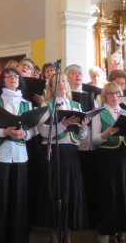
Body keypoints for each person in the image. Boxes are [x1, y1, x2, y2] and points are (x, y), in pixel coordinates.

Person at [0, 67, 35, 243]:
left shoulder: (27, 104)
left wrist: (25, 134)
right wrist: (5, 131)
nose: (13, 78)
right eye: (9, 76)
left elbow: (34, 130)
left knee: (18, 202)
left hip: (20, 156)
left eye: (16, 76)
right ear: (2, 81)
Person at [38, 73, 90, 243]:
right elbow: (43, 131)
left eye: (64, 81)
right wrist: (63, 125)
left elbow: (83, 137)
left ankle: (67, 237)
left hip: (72, 152)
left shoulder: (75, 104)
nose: (62, 84)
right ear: (51, 87)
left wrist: (83, 127)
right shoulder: (47, 105)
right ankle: (53, 236)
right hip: (55, 151)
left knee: (71, 193)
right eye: (57, 81)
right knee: (55, 192)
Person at [92, 82, 126, 243]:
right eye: (111, 93)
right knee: (111, 195)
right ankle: (112, 234)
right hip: (108, 159)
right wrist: (105, 134)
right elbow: (94, 141)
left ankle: (123, 233)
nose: (115, 97)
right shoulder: (100, 114)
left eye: (117, 93)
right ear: (105, 96)